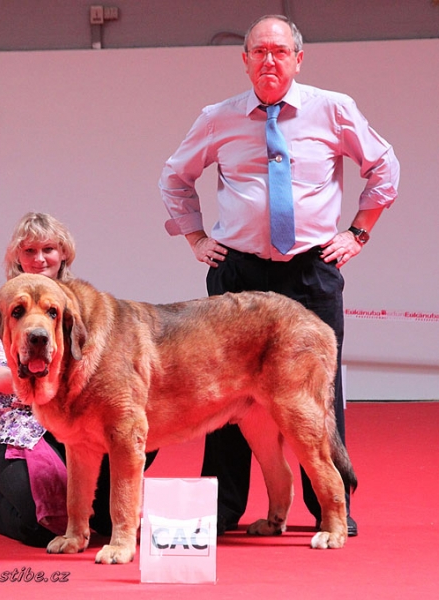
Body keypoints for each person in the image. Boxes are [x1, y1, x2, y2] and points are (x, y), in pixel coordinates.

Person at [159, 15, 400, 538]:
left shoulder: (334, 109)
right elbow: (175, 177)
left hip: (312, 272)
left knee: (319, 394)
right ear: (244, 59)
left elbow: (384, 168)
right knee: (219, 393)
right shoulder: (218, 117)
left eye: (280, 52)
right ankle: (220, 512)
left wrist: (357, 233)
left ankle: (330, 507)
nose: (270, 61)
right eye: (259, 52)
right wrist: (197, 238)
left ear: (298, 59)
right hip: (238, 275)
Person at [0, 212, 156, 545]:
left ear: (63, 254)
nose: (39, 258)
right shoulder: (5, 302)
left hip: (71, 426)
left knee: (127, 442)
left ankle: (99, 517)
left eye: (48, 249)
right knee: (40, 525)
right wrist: (31, 373)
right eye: (29, 250)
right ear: (17, 256)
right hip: (19, 433)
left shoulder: (84, 304)